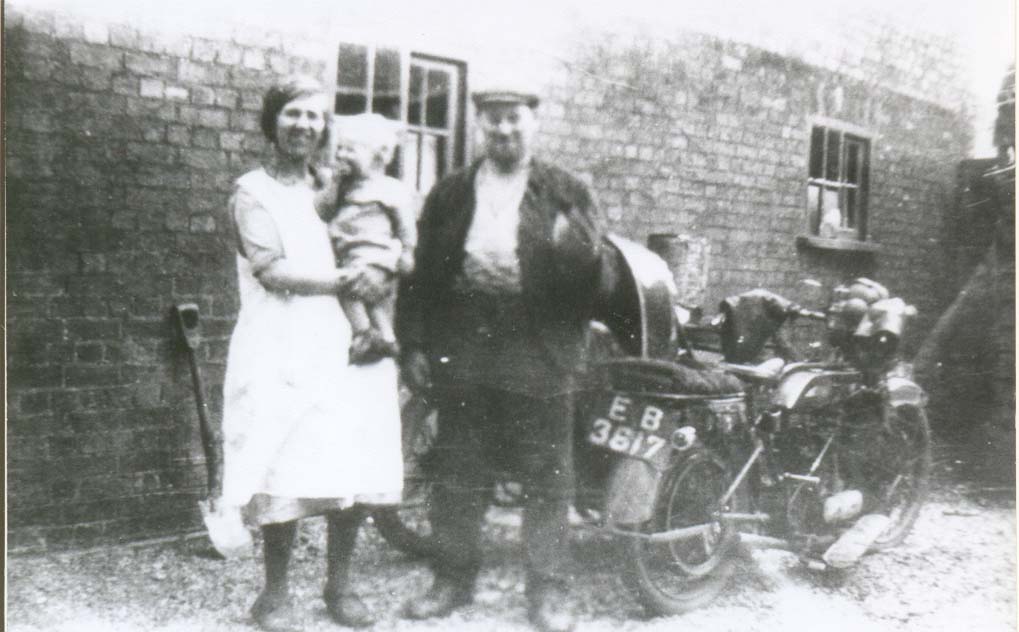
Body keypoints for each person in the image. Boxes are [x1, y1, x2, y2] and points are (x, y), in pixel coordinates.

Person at [397, 79, 622, 632]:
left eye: (513, 117)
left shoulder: (566, 191)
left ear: (533, 121)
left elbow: (604, 282)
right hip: (465, 339)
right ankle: (452, 578)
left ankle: (547, 592)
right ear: (480, 125)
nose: (503, 128)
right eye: (492, 118)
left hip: (537, 343)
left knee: (548, 473)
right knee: (459, 466)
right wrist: (415, 343)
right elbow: (422, 276)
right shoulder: (452, 192)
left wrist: (583, 253)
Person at [218, 76, 403, 631]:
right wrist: (345, 280)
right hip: (284, 340)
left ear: (326, 128)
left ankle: (339, 587)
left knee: (351, 460)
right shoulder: (252, 192)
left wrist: (380, 266)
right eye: (293, 114)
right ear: (273, 122)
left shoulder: (339, 184)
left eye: (315, 117)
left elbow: (380, 233)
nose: (304, 125)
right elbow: (271, 270)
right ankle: (274, 595)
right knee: (287, 461)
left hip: (349, 341)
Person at [315, 112, 417, 364]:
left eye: (351, 150)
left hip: (374, 254)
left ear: (378, 156)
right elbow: (321, 211)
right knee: (371, 299)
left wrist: (407, 252)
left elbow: (406, 225)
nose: (342, 156)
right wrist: (334, 183)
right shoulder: (342, 186)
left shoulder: (390, 188)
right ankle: (387, 339)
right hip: (347, 254)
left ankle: (364, 334)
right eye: (340, 149)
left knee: (352, 290)